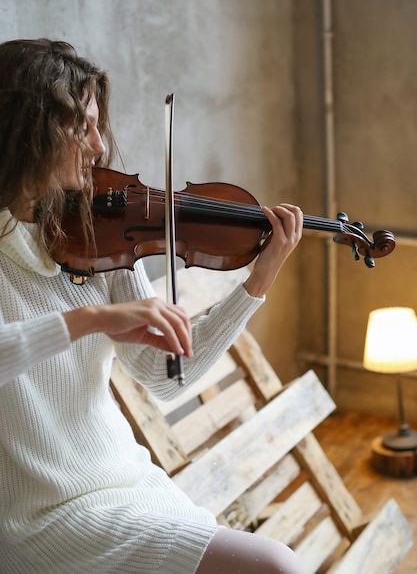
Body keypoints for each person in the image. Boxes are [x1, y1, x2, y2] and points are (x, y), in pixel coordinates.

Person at [0, 38, 306, 574]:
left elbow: (166, 378)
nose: (99, 147)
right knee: (277, 567)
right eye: (81, 127)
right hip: (40, 516)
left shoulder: (94, 228)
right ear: (27, 128)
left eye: (99, 125)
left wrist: (259, 279)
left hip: (127, 481)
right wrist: (86, 320)